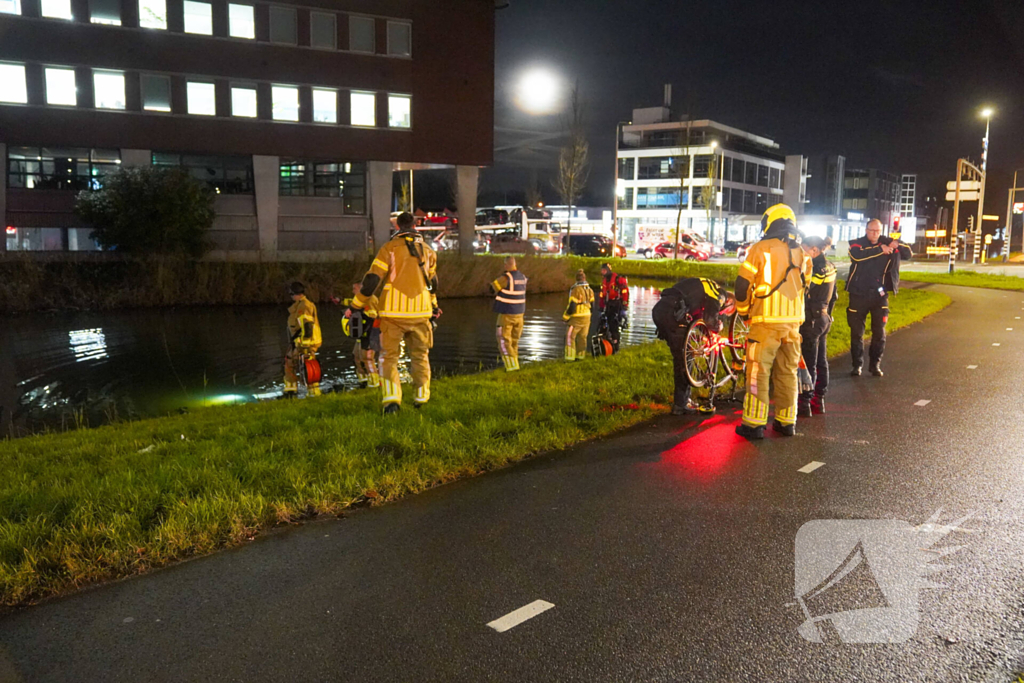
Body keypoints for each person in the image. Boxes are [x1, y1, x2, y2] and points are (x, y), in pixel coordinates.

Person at [733, 204, 812, 439]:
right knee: (787, 373)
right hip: (793, 326)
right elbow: (805, 288)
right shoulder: (803, 253)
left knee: (758, 372)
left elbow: (741, 286)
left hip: (765, 324)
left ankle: (754, 424)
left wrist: (744, 311)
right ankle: (787, 423)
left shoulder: (760, 248)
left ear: (770, 222)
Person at [349, 211, 438, 415]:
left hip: (393, 313)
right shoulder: (429, 252)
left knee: (388, 357)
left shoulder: (389, 249)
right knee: (420, 355)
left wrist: (355, 305)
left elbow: (372, 280)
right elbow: (433, 284)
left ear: (397, 226)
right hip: (421, 312)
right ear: (415, 226)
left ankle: (392, 401)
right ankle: (421, 398)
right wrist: (434, 307)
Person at [651, 276, 730, 414]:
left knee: (681, 355)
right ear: (727, 301)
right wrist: (718, 326)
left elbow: (698, 320)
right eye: (726, 310)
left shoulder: (702, 287)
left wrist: (706, 333)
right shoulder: (718, 293)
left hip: (661, 310)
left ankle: (682, 401)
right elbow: (710, 320)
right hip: (674, 313)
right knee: (685, 359)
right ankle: (681, 405)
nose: (722, 312)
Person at [846, 218, 912, 377]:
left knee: (879, 333)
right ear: (866, 230)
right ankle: (857, 365)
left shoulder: (887, 242)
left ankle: (875, 365)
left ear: (881, 231)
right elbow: (857, 256)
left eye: (877, 231)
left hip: (879, 295)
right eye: (871, 230)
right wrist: (880, 249)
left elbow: (908, 254)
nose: (874, 234)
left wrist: (897, 244)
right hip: (858, 293)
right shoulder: (857, 243)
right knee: (856, 333)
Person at [797, 236, 837, 417]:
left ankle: (805, 402)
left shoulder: (814, 270)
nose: (801, 253)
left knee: (808, 363)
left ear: (814, 250)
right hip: (824, 317)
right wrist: (829, 315)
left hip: (811, 320)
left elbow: (803, 295)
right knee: (822, 361)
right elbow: (834, 296)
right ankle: (819, 399)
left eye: (803, 249)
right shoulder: (831, 266)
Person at [284, 281, 322, 398]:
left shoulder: (304, 306)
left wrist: (304, 344)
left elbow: (307, 326)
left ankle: (312, 393)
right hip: (300, 342)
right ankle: (292, 391)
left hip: (306, 343)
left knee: (307, 366)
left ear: (294, 294)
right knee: (291, 362)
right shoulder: (301, 305)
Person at [490, 255, 528, 371]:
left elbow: (492, 288)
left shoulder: (506, 278)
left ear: (506, 265)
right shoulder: (523, 277)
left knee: (503, 340)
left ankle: (511, 367)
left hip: (507, 313)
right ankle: (515, 363)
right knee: (514, 341)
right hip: (520, 314)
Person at [343, 283, 380, 389]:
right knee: (357, 356)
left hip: (371, 333)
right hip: (362, 333)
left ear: (361, 288)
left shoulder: (371, 299)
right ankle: (363, 381)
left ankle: (374, 383)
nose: (353, 291)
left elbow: (372, 317)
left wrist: (357, 312)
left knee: (367, 358)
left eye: (354, 288)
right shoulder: (359, 300)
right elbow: (351, 303)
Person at [562, 269, 594, 361]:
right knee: (582, 337)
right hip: (587, 317)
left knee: (570, 336)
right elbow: (593, 306)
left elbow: (572, 306)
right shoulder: (590, 290)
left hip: (577, 317)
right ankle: (581, 356)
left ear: (576, 279)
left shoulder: (576, 290)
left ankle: (569, 358)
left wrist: (565, 317)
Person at [598, 263, 629, 352]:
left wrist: (624, 307)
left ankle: (615, 344)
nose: (603, 272)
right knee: (603, 324)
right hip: (608, 305)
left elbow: (625, 292)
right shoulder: (604, 281)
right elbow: (602, 295)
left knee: (614, 325)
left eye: (604, 270)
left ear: (608, 270)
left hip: (617, 305)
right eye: (602, 270)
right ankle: (606, 344)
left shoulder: (618, 279)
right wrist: (601, 307)